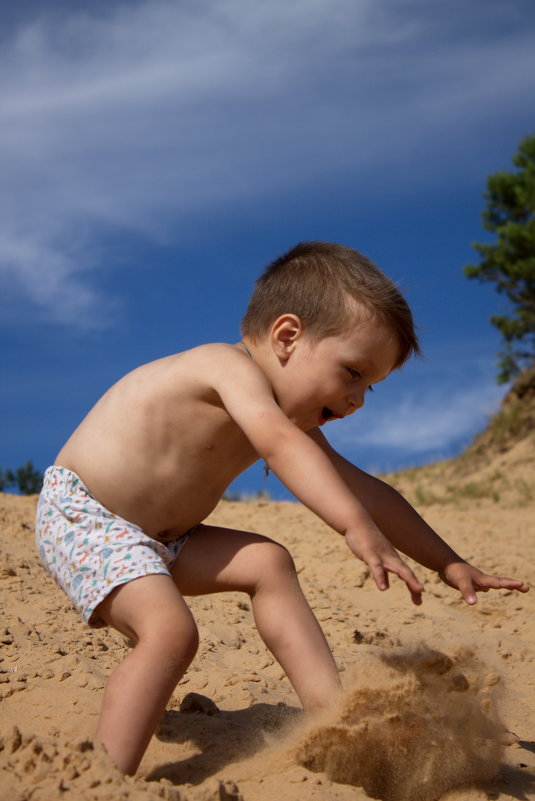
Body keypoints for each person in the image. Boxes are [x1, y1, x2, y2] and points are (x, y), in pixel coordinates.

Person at [35, 241, 528, 775]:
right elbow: (279, 444)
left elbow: (369, 490)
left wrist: (447, 562)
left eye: (371, 386)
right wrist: (352, 528)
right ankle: (103, 778)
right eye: (354, 372)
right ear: (287, 336)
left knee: (267, 562)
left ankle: (333, 718)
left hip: (160, 542)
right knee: (171, 633)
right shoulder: (224, 367)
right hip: (86, 517)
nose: (358, 398)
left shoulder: (281, 415)